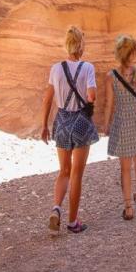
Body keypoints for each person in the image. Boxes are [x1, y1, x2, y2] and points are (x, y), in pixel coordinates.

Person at [39, 24, 98, 234]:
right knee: (76, 174)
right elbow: (91, 96)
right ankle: (73, 222)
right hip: (81, 121)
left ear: (67, 45)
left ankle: (56, 209)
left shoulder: (56, 69)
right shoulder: (88, 68)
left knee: (63, 170)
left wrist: (45, 125)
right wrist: (90, 96)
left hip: (62, 120)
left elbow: (47, 99)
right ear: (81, 46)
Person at [101, 34, 136, 220]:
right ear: (133, 53)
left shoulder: (111, 76)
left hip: (122, 123)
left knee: (125, 168)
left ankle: (129, 207)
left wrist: (106, 125)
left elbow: (109, 104)